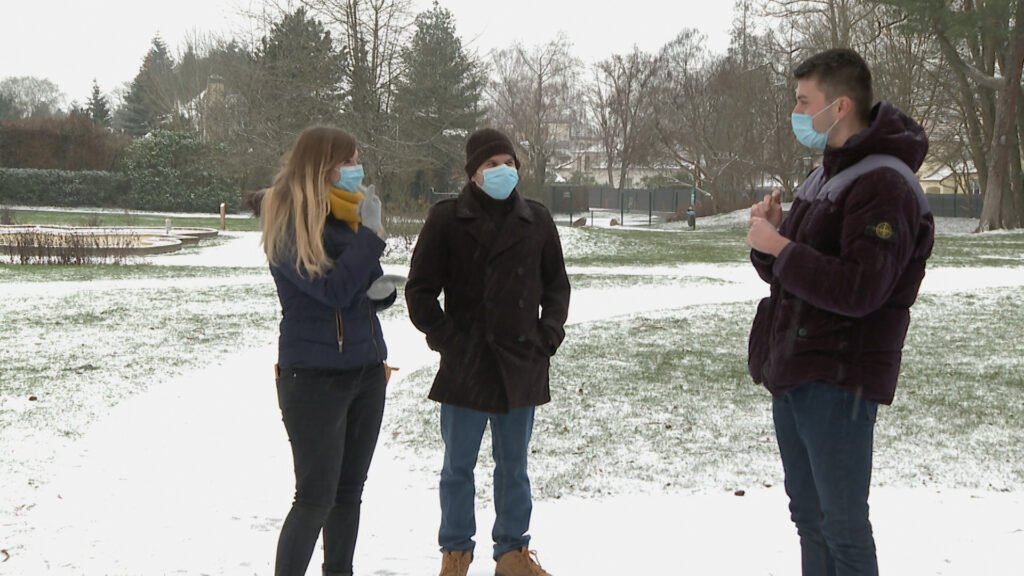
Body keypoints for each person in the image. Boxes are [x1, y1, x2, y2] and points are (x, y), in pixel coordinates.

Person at [746, 48, 935, 576]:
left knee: (843, 527)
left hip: (839, 380)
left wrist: (782, 249)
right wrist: (771, 240)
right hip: (797, 373)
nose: (797, 112)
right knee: (810, 519)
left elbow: (860, 288)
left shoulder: (884, 184)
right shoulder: (823, 176)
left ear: (841, 105)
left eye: (804, 101)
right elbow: (794, 277)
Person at [405, 128, 571, 576]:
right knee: (457, 468)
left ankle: (513, 552)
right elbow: (420, 291)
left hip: (521, 364)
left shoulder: (536, 220)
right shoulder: (446, 219)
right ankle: (455, 553)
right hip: (466, 366)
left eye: (509, 163)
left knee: (513, 466)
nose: (503, 171)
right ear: (474, 173)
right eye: (492, 164)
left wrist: (547, 336)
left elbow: (557, 286)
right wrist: (448, 340)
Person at [259, 125, 399, 576]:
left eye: (358, 160)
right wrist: (372, 238)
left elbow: (361, 290)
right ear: (322, 167)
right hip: (313, 380)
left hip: (365, 371)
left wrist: (382, 290)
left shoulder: (349, 219)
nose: (357, 169)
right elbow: (334, 291)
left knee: (347, 494)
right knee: (315, 498)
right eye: (348, 161)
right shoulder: (287, 226)